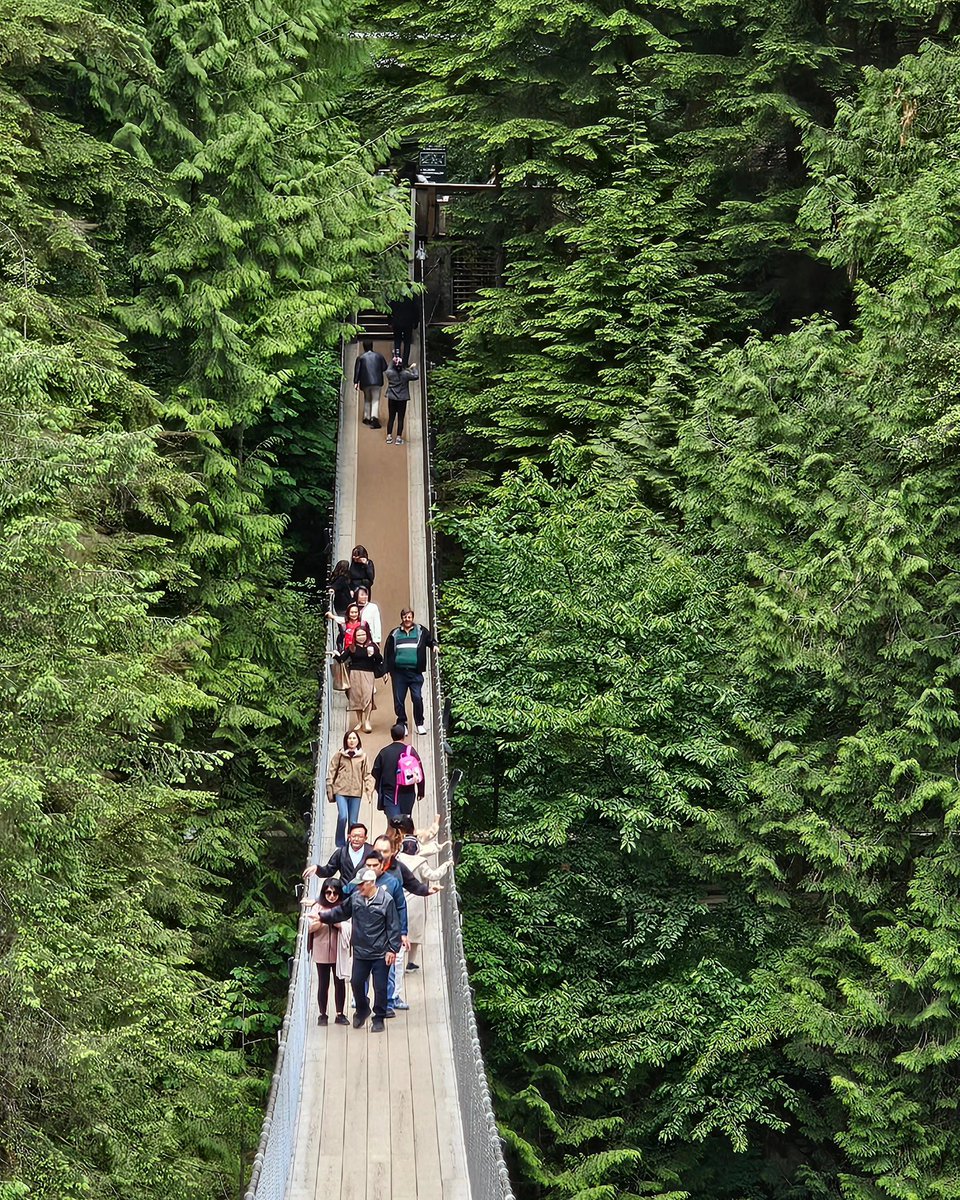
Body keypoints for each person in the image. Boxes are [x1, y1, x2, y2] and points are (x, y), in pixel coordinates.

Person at [319, 868, 400, 1032]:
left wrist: (392, 949)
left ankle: (379, 1018)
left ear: (370, 883)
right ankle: (362, 1009)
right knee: (356, 983)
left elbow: (393, 926)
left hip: (380, 952)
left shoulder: (387, 900)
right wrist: (322, 916)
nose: (359, 888)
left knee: (380, 987)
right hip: (361, 951)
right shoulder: (355, 898)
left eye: (361, 885)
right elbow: (341, 912)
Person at [397, 836, 451, 971]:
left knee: (399, 931)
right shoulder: (420, 862)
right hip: (417, 899)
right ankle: (410, 962)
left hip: (398, 898)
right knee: (415, 933)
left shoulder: (396, 860)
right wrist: (446, 865)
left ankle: (397, 960)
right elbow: (433, 876)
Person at [383, 609, 438, 735]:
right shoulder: (395, 633)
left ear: (412, 617)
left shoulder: (421, 631)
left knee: (417, 697)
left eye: (409, 617)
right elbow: (388, 652)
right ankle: (402, 723)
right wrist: (385, 670)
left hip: (415, 672)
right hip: (398, 673)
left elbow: (430, 640)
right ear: (401, 618)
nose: (407, 619)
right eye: (404, 617)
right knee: (399, 699)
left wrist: (434, 645)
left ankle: (419, 723)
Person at [306, 878, 351, 1026]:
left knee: (340, 982)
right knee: (323, 982)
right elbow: (310, 927)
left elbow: (348, 926)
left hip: (339, 951)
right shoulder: (318, 907)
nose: (331, 896)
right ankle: (322, 1014)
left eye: (335, 893)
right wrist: (324, 919)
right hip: (321, 950)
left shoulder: (344, 907)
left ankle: (340, 1014)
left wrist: (333, 921)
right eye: (328, 892)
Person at [326, 732, 375, 846]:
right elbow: (332, 770)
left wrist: (369, 790)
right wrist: (330, 787)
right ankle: (340, 844)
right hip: (341, 790)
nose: (352, 741)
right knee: (343, 816)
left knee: (353, 821)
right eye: (349, 738)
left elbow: (367, 774)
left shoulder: (363, 756)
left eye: (354, 738)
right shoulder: (340, 755)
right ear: (346, 740)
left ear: (358, 741)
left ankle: (350, 843)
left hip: (355, 792)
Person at [372, 723, 425, 820]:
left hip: (389, 793)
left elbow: (375, 771)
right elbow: (419, 772)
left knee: (394, 823)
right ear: (403, 735)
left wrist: (379, 788)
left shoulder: (384, 752)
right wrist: (421, 791)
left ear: (391, 735)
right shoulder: (410, 751)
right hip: (408, 791)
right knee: (405, 823)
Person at [337, 626, 384, 733]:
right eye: (358, 635)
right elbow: (342, 659)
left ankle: (367, 721)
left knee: (368, 695)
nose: (361, 637)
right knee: (356, 696)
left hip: (368, 673)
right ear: (355, 636)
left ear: (367, 635)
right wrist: (335, 654)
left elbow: (380, 659)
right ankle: (360, 721)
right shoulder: (352, 647)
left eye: (363, 634)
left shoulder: (372, 646)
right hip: (354, 673)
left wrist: (374, 654)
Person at [304, 823, 373, 884]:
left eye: (360, 837)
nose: (356, 839)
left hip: (365, 892)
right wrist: (317, 868)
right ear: (349, 836)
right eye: (354, 836)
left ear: (365, 838)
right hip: (345, 892)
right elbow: (328, 870)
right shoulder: (341, 852)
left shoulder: (371, 851)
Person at [384, 356, 419, 447]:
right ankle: (398, 438)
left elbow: (388, 368)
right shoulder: (405, 374)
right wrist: (414, 368)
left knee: (391, 417)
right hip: (402, 399)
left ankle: (389, 436)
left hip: (392, 397)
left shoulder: (390, 373)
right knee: (400, 418)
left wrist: (393, 360)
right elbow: (416, 376)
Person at [353, 340, 388, 428]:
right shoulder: (379, 356)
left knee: (367, 398)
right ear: (372, 346)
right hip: (377, 381)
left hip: (365, 382)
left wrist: (356, 382)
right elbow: (385, 367)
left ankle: (366, 417)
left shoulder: (360, 357)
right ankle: (374, 418)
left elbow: (357, 371)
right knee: (375, 399)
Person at [389, 297, 418, 366]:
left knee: (397, 341)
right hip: (408, 322)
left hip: (397, 321)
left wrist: (390, 321)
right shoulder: (411, 296)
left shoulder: (395, 296)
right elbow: (415, 308)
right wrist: (416, 321)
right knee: (407, 343)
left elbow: (390, 309)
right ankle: (405, 362)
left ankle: (397, 360)